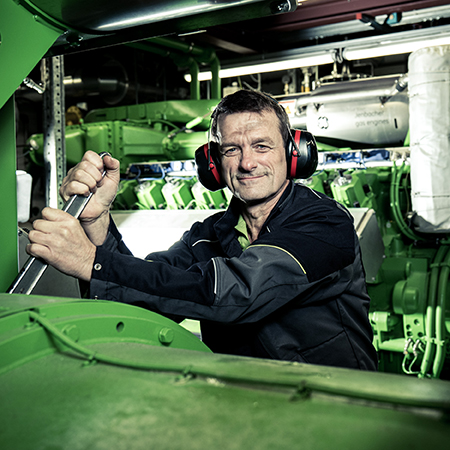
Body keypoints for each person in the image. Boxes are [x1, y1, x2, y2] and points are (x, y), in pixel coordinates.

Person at [27, 89, 378, 370]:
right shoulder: (207, 236)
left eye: (262, 146)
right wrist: (96, 220)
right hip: (247, 403)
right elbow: (144, 294)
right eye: (232, 149)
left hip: (337, 400)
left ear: (293, 153)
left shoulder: (325, 223)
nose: (247, 162)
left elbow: (236, 294)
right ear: (212, 164)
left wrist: (90, 260)